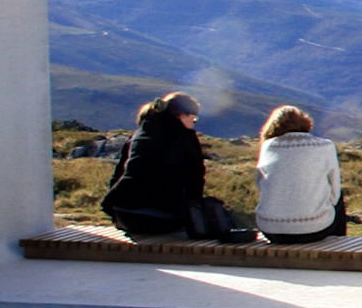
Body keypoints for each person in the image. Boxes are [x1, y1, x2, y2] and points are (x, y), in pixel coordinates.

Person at [100, 92, 250, 242]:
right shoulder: (185, 137)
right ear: (182, 115)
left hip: (123, 214)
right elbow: (195, 180)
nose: (193, 124)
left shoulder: (137, 136)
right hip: (161, 219)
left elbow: (118, 175)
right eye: (194, 119)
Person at [255, 105, 348, 243]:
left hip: (270, 229)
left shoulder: (267, 146)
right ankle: (339, 243)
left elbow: (260, 184)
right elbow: (334, 193)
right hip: (314, 230)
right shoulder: (325, 145)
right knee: (338, 198)